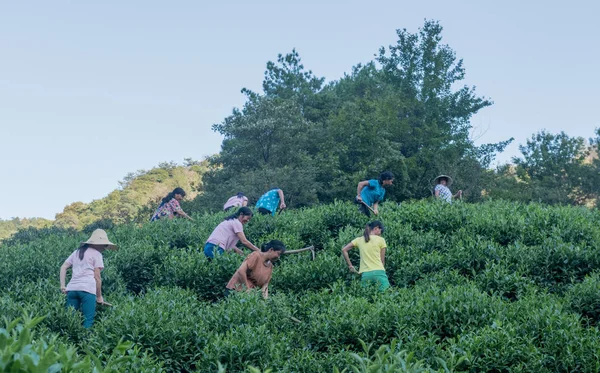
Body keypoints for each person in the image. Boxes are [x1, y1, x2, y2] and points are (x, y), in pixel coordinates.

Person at [59, 229, 117, 328]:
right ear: (97, 244)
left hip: (72, 289)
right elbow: (97, 278)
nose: (104, 248)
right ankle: (85, 342)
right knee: (88, 321)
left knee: (70, 320)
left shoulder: (77, 252)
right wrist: (99, 297)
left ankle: (70, 342)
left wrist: (63, 286)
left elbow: (63, 267)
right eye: (104, 245)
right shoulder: (97, 254)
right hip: (87, 290)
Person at [341, 221, 389, 292]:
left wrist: (350, 266)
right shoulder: (381, 240)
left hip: (366, 275)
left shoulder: (359, 240)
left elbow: (344, 250)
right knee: (386, 295)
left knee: (365, 298)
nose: (380, 235)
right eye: (380, 232)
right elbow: (382, 260)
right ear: (376, 228)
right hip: (379, 272)